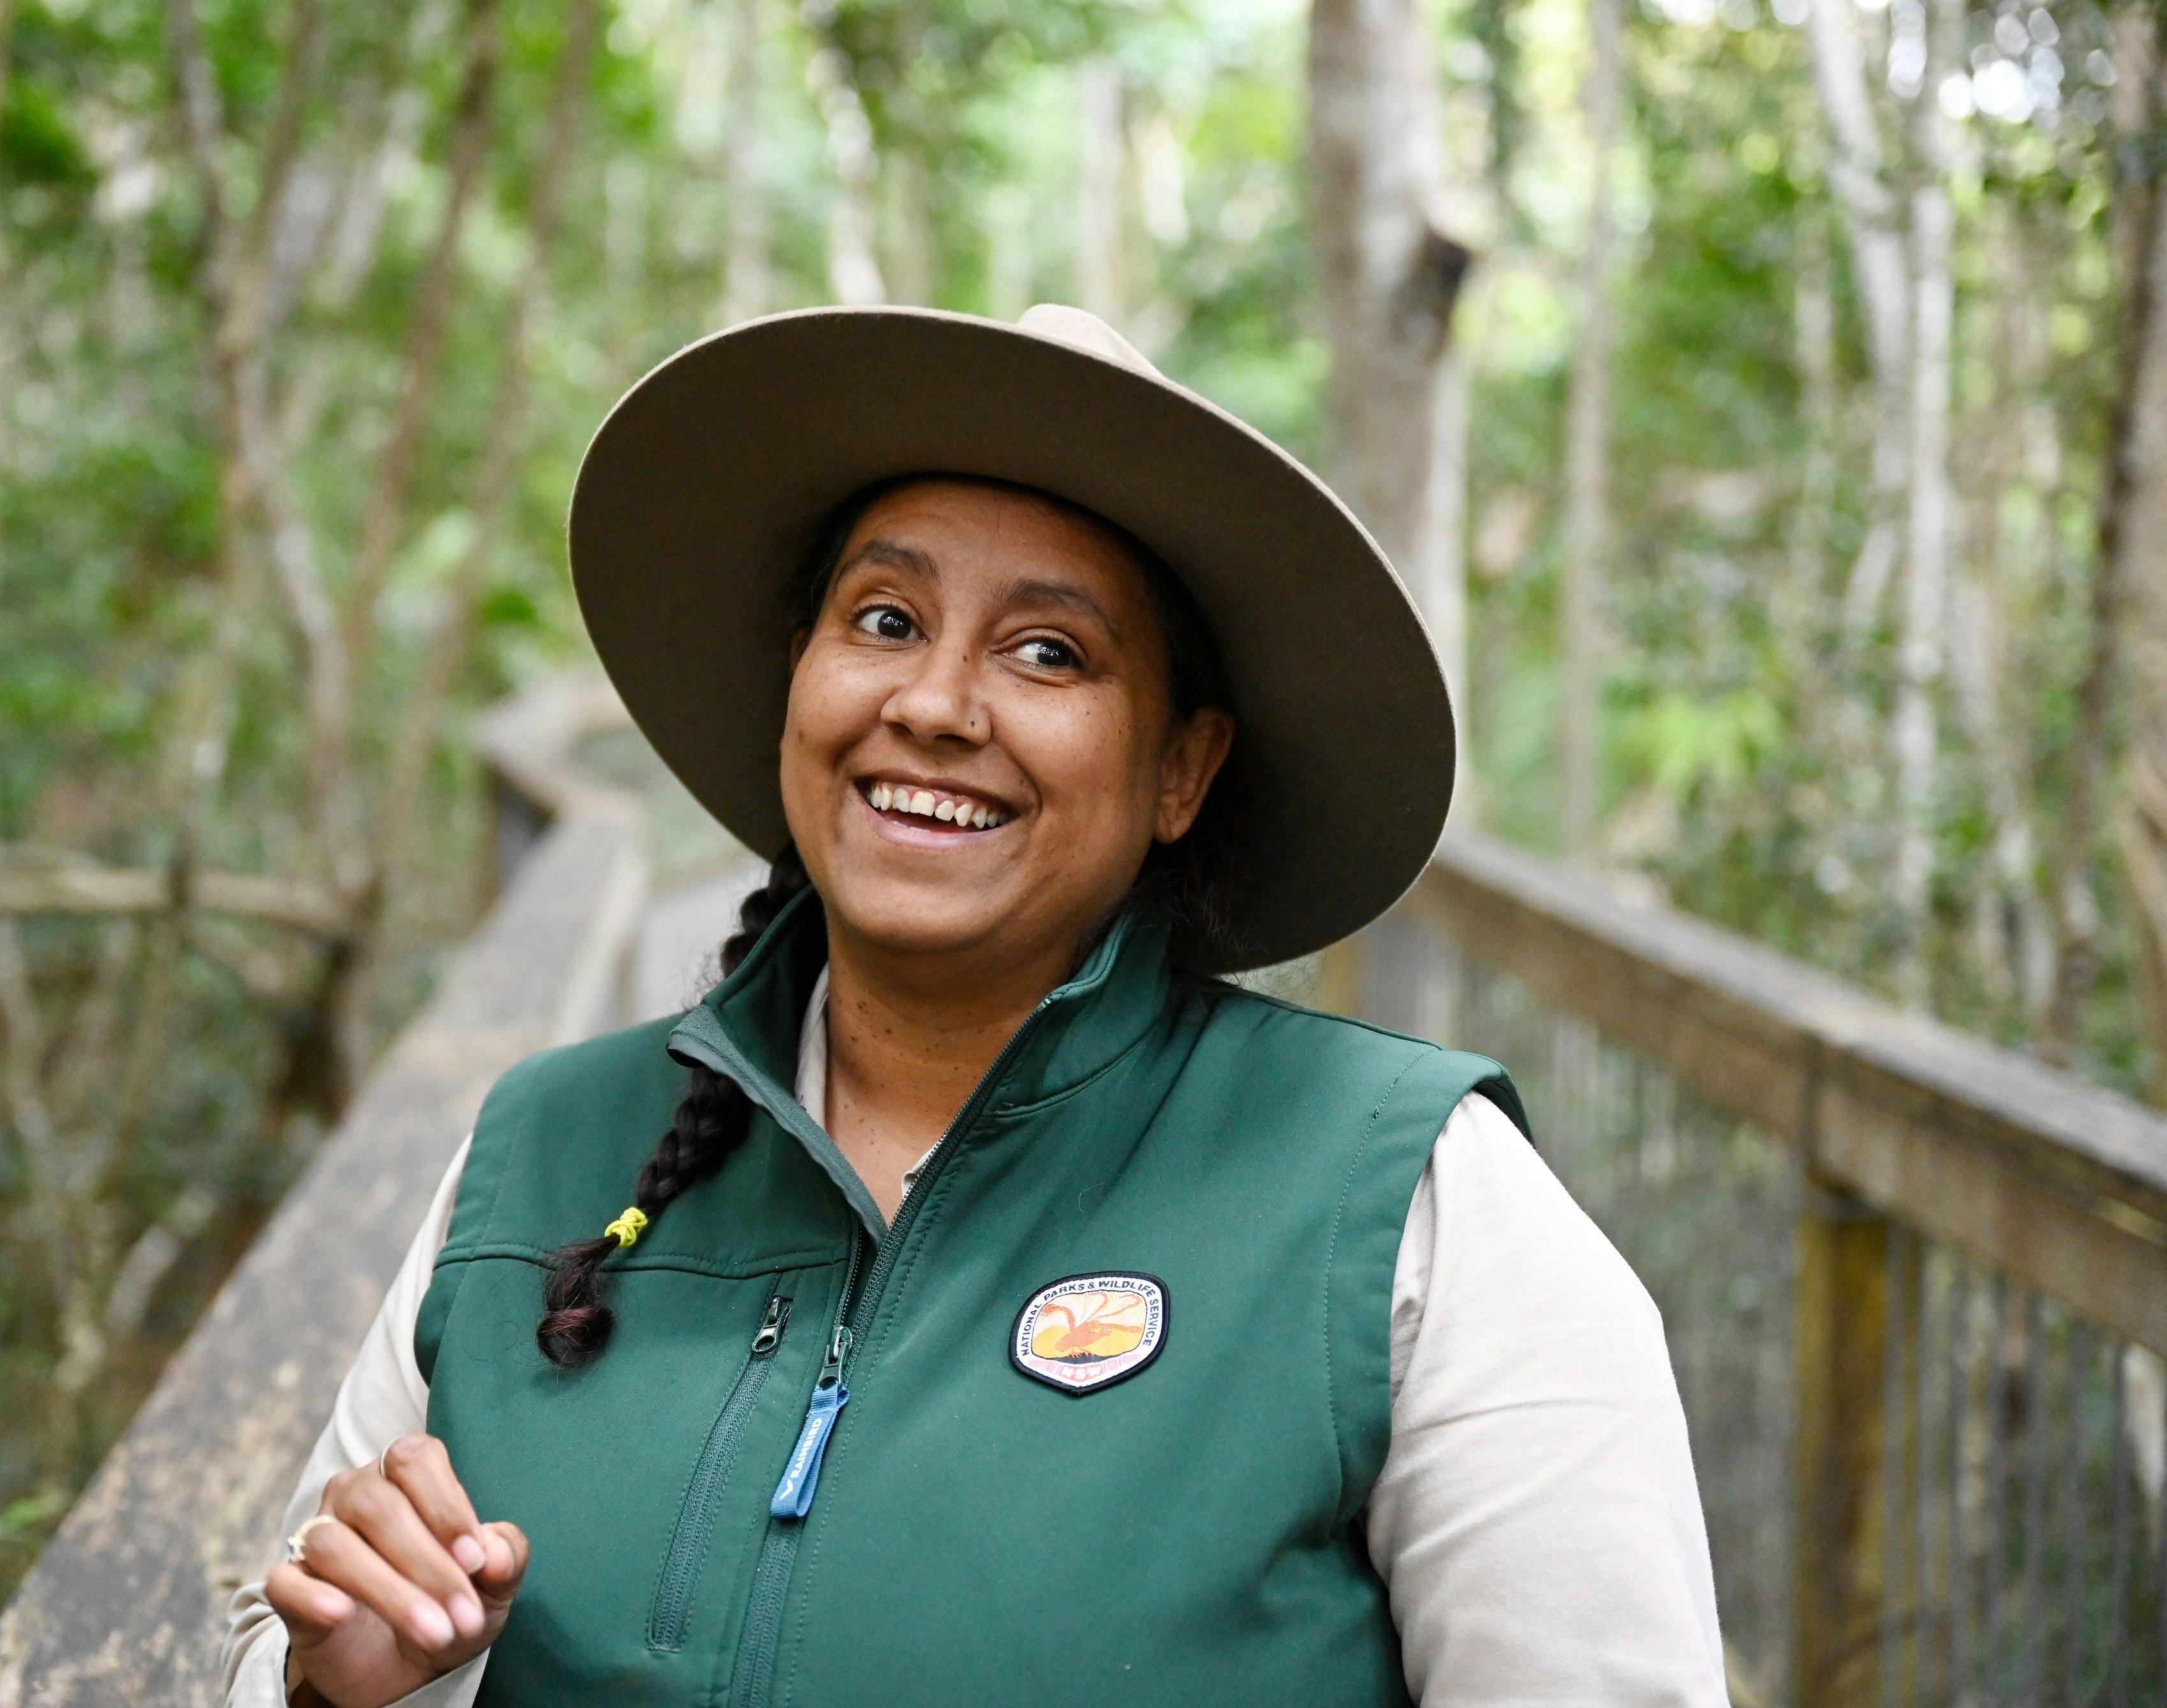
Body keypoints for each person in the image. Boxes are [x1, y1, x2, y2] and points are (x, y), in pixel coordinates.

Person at [220, 304, 1726, 1707]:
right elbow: (273, 1642)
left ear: (1180, 771)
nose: (934, 704)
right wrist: (335, 1685)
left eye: (1046, 651)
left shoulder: (1406, 1203)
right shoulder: (541, 1153)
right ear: (798, 679)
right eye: (882, 619)